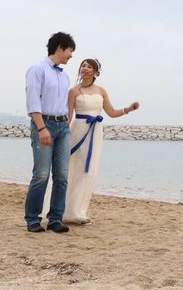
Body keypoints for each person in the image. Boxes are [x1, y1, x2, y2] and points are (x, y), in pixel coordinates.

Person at [63, 58, 139, 224]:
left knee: (89, 171)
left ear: (96, 72)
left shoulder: (101, 91)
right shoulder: (73, 91)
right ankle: (66, 211)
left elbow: (111, 112)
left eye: (89, 66)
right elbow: (68, 117)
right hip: (78, 130)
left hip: (95, 131)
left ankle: (79, 211)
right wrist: (61, 135)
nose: (85, 68)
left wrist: (128, 109)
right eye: (83, 65)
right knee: (74, 169)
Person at [24, 32, 76, 233]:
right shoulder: (37, 69)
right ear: (60, 47)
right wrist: (41, 128)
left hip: (63, 127)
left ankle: (55, 219)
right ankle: (32, 219)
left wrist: (66, 125)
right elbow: (33, 101)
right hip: (44, 124)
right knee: (42, 174)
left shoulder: (64, 75)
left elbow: (64, 105)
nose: (71, 55)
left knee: (62, 176)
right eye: (70, 50)